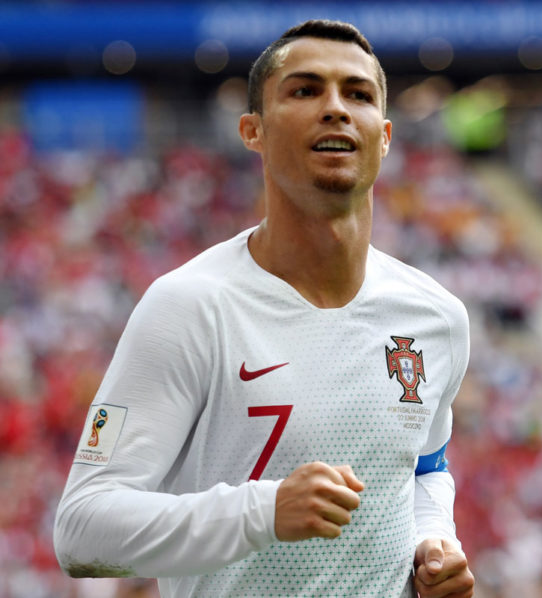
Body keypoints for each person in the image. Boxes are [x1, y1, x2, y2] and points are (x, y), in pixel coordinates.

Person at [53, 19, 474, 598]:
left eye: (358, 94)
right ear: (253, 131)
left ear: (385, 135)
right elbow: (81, 529)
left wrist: (433, 542)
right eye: (304, 90)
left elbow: (427, 470)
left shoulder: (437, 317)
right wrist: (262, 511)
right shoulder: (191, 305)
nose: (336, 108)